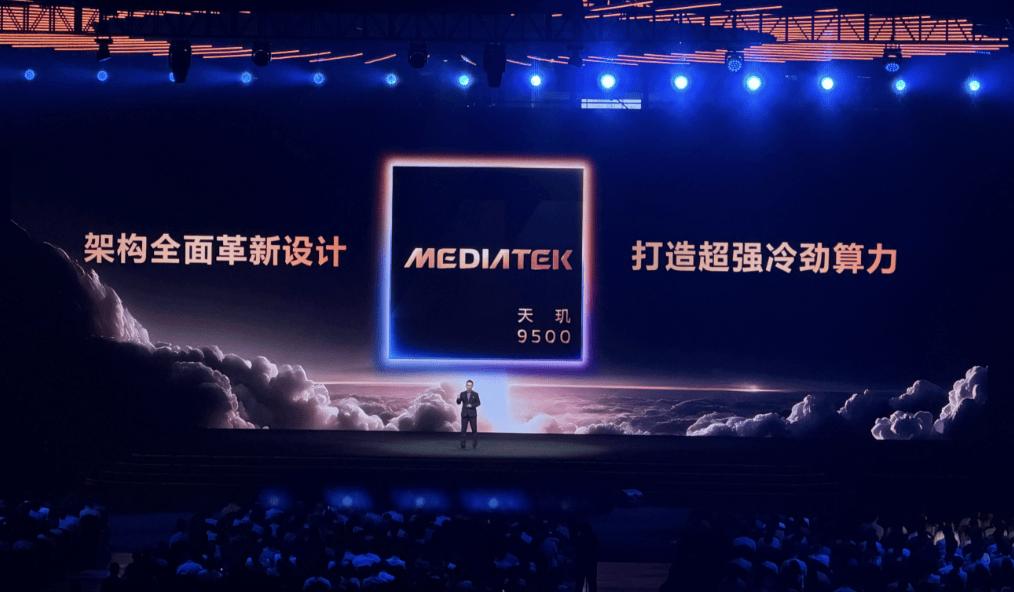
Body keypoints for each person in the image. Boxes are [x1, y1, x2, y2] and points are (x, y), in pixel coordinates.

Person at [456, 379, 481, 449]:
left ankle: (475, 444)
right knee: (463, 431)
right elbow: (458, 403)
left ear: (472, 386)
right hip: (464, 414)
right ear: (466, 385)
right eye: (467, 385)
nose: (468, 386)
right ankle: (463, 444)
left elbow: (478, 403)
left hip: (472, 415)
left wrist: (472, 405)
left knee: (474, 430)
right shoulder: (462, 393)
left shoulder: (475, 394)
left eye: (470, 385)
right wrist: (458, 398)